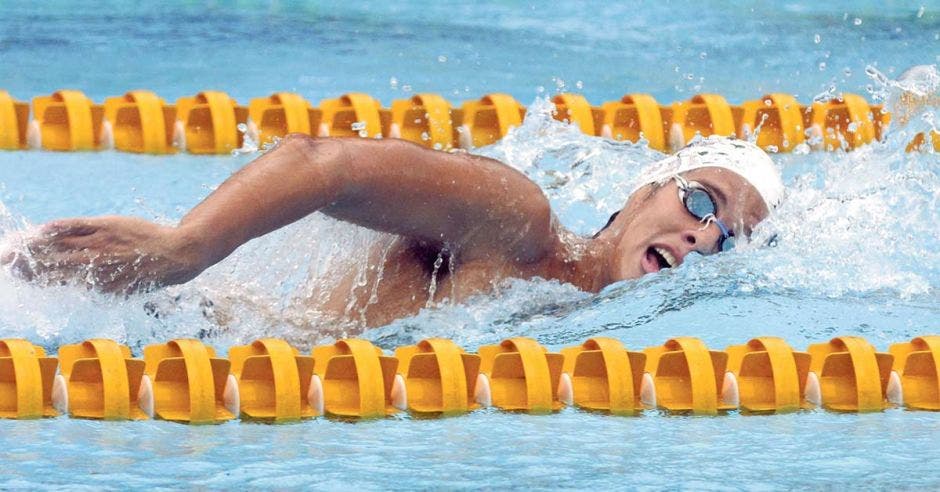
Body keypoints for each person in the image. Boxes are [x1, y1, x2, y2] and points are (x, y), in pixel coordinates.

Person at [1, 134, 783, 327]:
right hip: (181, 332)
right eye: (703, 203)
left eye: (732, 238)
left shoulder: (584, 314)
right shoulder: (519, 224)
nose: (706, 237)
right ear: (645, 187)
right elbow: (327, 163)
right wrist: (185, 249)